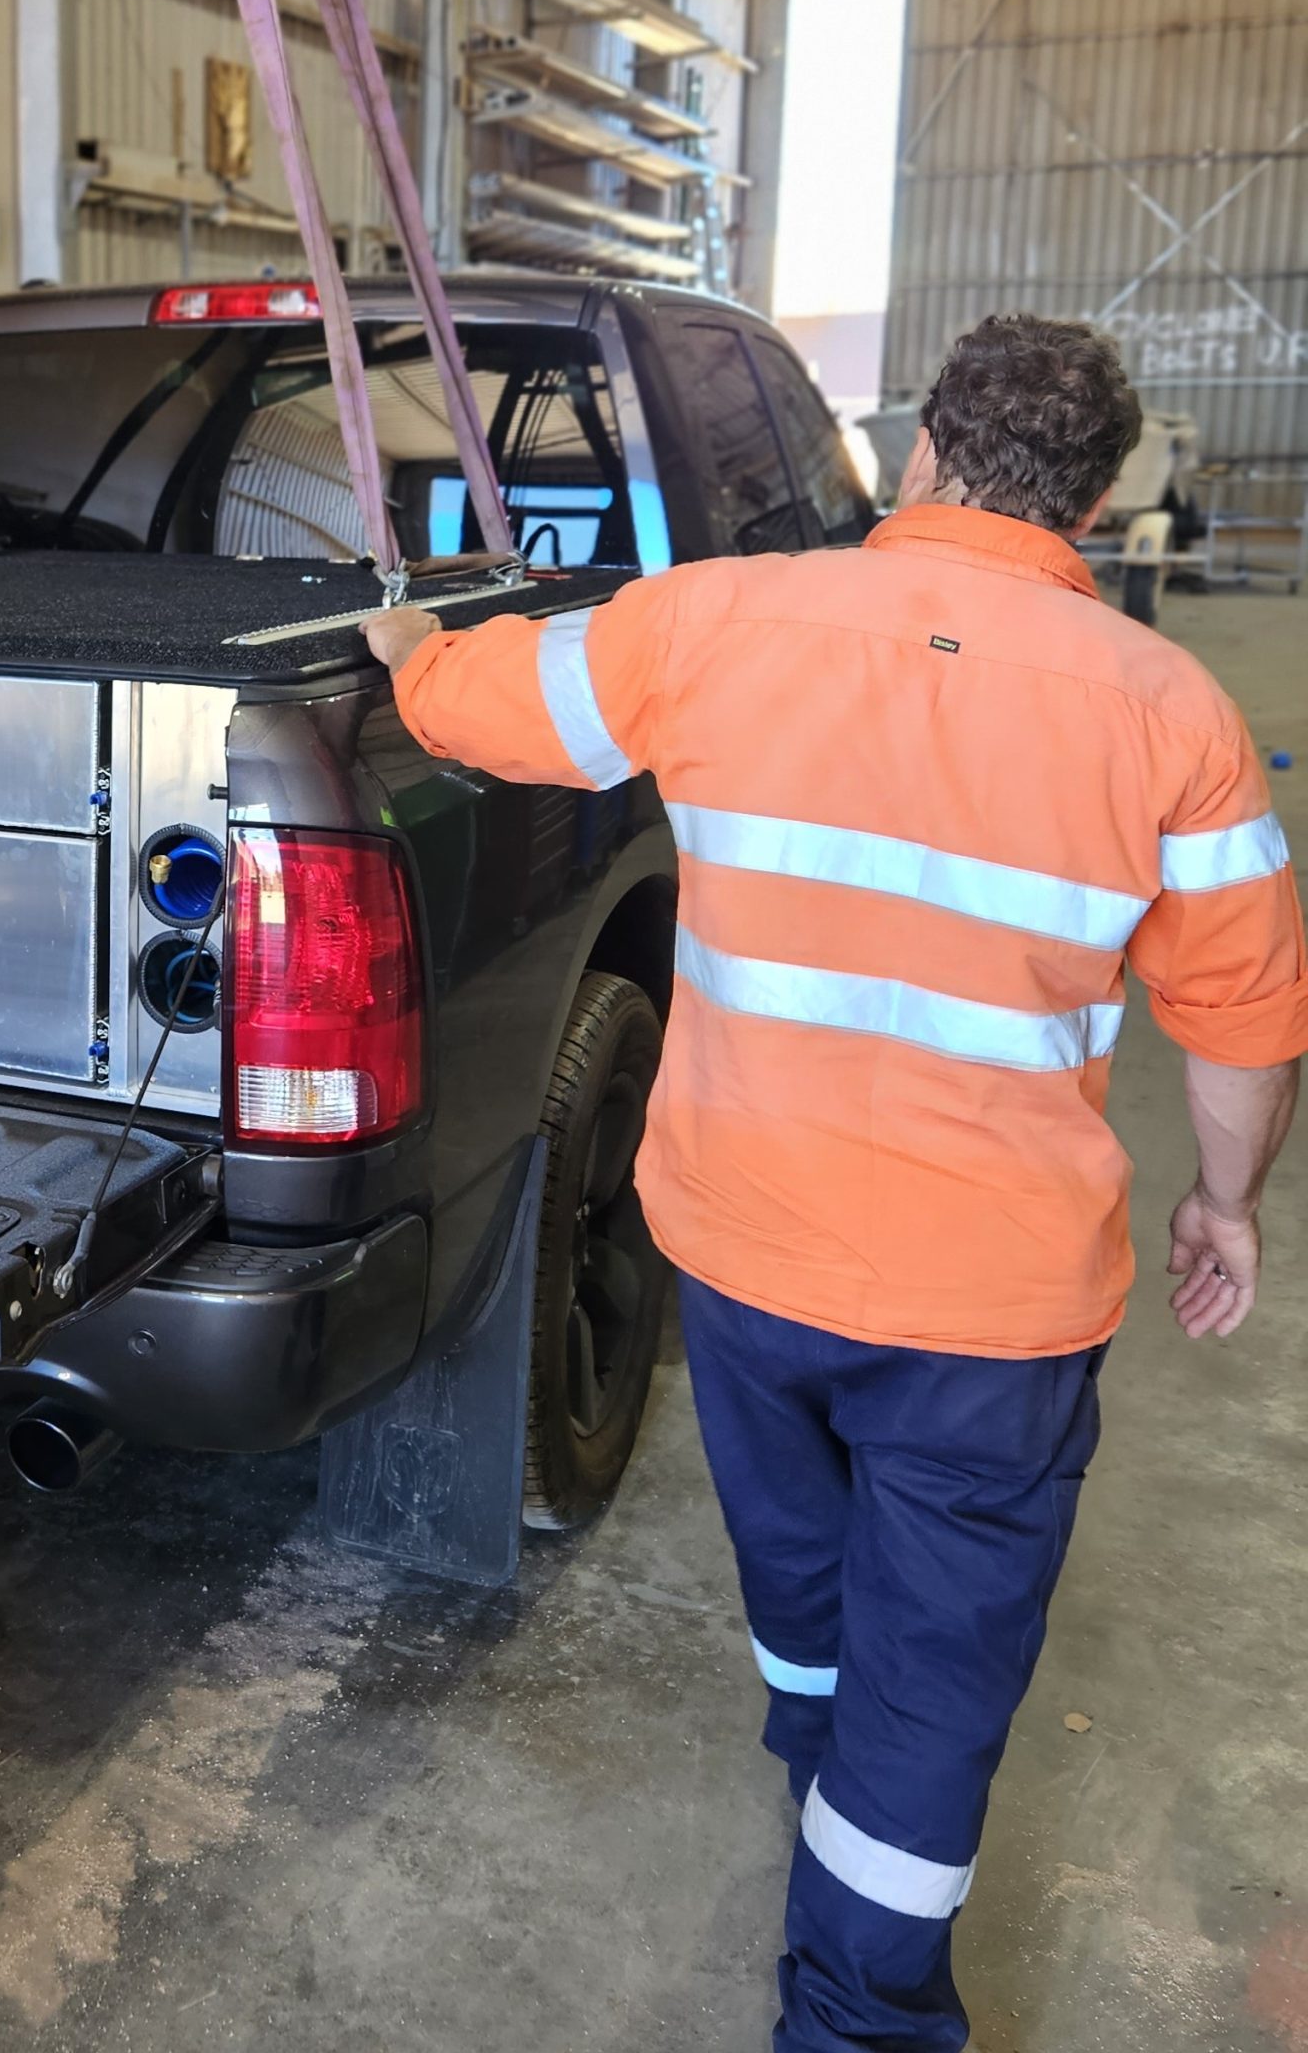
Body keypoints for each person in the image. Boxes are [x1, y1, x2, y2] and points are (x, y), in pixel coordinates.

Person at [362, 313, 1305, 2052]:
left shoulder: (715, 621)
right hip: (993, 1315)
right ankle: (860, 2006)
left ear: (927, 450)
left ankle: (818, 1763)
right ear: (1095, 507)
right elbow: (1245, 1020)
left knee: (798, 1573)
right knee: (930, 1689)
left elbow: (483, 712)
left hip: (744, 1257)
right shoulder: (1175, 715)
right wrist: (1223, 1203)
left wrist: (414, 646)